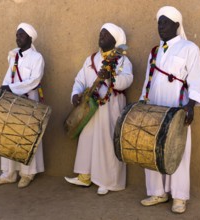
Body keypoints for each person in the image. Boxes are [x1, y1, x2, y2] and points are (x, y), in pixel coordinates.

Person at [139, 6, 200, 213]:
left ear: (177, 25)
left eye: (165, 22)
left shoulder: (189, 48)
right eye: (159, 22)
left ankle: (179, 196)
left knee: (177, 149)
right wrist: (143, 101)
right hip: (155, 105)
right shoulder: (155, 51)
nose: (161, 26)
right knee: (152, 147)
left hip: (177, 106)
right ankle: (157, 192)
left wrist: (191, 106)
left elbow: (196, 78)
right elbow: (148, 80)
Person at [64, 23, 133, 195]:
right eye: (100, 33)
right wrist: (75, 94)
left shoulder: (122, 60)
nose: (101, 36)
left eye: (105, 34)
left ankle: (107, 181)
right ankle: (84, 176)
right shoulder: (91, 59)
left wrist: (111, 77)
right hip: (89, 107)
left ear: (115, 39)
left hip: (110, 107)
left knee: (106, 141)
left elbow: (128, 79)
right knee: (86, 138)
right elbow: (80, 80)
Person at [0, 23, 45, 188]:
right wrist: (3, 91)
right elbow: (8, 79)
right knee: (8, 135)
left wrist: (11, 88)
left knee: (27, 137)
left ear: (29, 38)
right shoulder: (14, 57)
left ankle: (27, 174)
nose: (17, 38)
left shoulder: (37, 58)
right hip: (11, 101)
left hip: (28, 101)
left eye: (21, 35)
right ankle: (9, 173)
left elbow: (35, 80)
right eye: (17, 35)